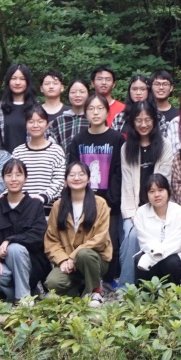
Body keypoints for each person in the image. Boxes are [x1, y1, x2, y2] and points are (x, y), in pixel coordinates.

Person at [63, 94, 124, 282]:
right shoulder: (78, 139)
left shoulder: (116, 138)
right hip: (83, 199)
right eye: (91, 109)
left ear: (107, 112)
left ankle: (109, 279)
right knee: (85, 239)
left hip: (110, 201)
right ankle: (84, 278)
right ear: (85, 112)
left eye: (100, 108)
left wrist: (111, 201)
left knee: (110, 239)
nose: (95, 113)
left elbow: (119, 172)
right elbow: (73, 170)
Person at [117, 100, 175, 287]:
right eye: (138, 120)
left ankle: (144, 285)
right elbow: (127, 184)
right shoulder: (127, 148)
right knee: (132, 236)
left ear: (154, 121)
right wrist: (133, 214)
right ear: (132, 122)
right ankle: (127, 287)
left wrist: (150, 212)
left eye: (147, 119)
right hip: (133, 209)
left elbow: (163, 181)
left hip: (158, 207)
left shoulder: (164, 145)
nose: (143, 124)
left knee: (145, 237)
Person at [0, 159, 50, 303]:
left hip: (31, 265)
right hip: (4, 263)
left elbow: (38, 235)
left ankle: (23, 299)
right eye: (9, 175)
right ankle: (27, 293)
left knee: (15, 249)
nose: (14, 179)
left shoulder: (35, 205)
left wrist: (9, 240)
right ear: (3, 178)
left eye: (18, 175)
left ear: (25, 178)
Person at [44, 161, 113, 307]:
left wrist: (73, 256)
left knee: (84, 254)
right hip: (68, 262)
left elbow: (100, 237)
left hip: (95, 259)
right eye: (72, 175)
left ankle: (95, 292)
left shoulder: (100, 203)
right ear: (65, 180)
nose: (76, 178)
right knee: (52, 283)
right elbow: (51, 239)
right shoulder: (58, 206)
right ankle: (81, 288)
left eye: (81, 174)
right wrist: (63, 260)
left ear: (88, 179)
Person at [132, 174, 181, 286]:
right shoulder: (141, 213)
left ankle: (173, 294)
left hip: (172, 254)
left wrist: (151, 259)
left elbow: (176, 242)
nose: (156, 195)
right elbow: (145, 240)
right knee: (139, 259)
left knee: (170, 262)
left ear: (168, 191)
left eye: (160, 190)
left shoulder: (179, 212)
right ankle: (146, 295)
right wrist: (154, 254)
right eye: (152, 191)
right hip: (150, 251)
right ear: (147, 194)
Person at [10, 106, 67, 208]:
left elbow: (59, 180)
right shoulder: (18, 152)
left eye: (40, 121)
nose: (35, 125)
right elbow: (12, 178)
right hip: (22, 208)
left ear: (47, 124)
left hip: (49, 208)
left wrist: (43, 197)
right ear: (25, 124)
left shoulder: (56, 151)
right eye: (31, 122)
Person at [0, 64, 38, 152]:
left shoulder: (36, 108)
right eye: (13, 78)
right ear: (8, 81)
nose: (17, 82)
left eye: (22, 79)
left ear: (28, 82)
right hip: (4, 158)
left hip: (31, 157)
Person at [48, 78, 90, 147]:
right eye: (73, 92)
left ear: (88, 94)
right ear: (68, 95)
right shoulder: (59, 121)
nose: (77, 95)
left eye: (82, 92)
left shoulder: (93, 119)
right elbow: (51, 146)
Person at [150, 70, 181, 149]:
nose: (161, 87)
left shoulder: (178, 115)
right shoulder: (146, 113)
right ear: (151, 87)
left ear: (171, 88)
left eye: (165, 84)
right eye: (157, 84)